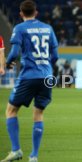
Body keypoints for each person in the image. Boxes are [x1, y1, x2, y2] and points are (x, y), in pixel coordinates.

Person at [1, 1, 59, 162]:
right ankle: (34, 155)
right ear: (36, 12)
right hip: (46, 76)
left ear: (21, 13)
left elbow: (14, 52)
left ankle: (15, 150)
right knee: (38, 113)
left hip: (29, 76)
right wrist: (46, 66)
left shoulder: (20, 28)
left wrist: (8, 63)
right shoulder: (48, 28)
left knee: (11, 110)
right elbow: (55, 56)